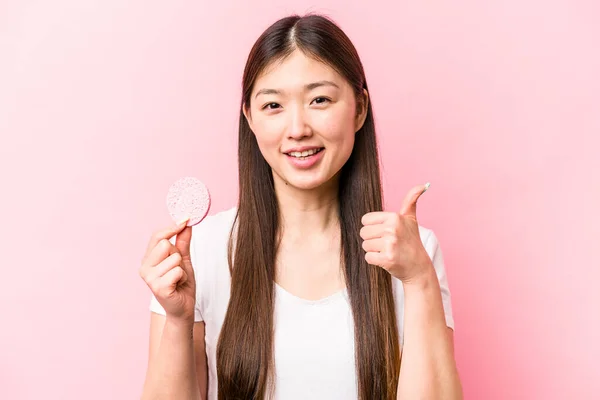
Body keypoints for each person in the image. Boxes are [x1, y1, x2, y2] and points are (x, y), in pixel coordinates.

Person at [139, 14, 462, 400]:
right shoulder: (201, 251)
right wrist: (177, 320)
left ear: (359, 108)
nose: (297, 128)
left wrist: (419, 280)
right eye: (273, 105)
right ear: (250, 118)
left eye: (319, 100)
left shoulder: (411, 253)